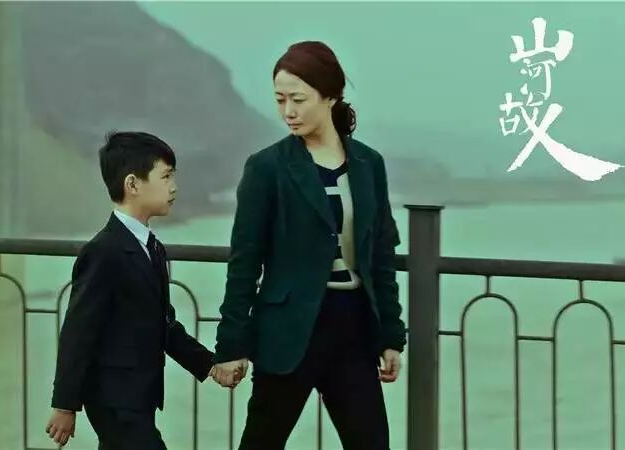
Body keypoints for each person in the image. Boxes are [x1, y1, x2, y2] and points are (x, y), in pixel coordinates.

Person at [210, 41, 407, 450]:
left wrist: (391, 336)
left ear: (330, 96)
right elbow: (244, 262)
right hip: (288, 331)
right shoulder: (267, 167)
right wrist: (231, 345)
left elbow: (380, 256)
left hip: (353, 328)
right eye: (280, 100)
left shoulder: (368, 164)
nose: (288, 111)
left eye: (298, 99)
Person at [46, 131, 216, 450]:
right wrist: (65, 405)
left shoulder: (152, 247)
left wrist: (209, 364)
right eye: (165, 176)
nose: (174, 187)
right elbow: (78, 332)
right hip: (113, 399)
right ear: (133, 184)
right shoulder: (104, 251)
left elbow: (164, 324)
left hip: (140, 396)